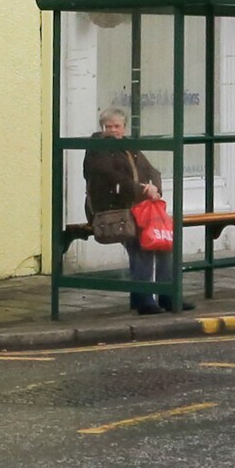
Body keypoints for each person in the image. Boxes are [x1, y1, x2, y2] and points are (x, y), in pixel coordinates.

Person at [84, 107, 172, 314]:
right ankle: (143, 300)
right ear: (102, 128)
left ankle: (167, 296)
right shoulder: (97, 148)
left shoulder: (129, 147)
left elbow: (151, 170)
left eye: (117, 126)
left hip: (138, 207)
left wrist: (155, 189)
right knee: (142, 246)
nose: (113, 130)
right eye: (109, 126)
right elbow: (110, 176)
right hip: (113, 209)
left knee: (164, 245)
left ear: (124, 128)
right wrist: (142, 188)